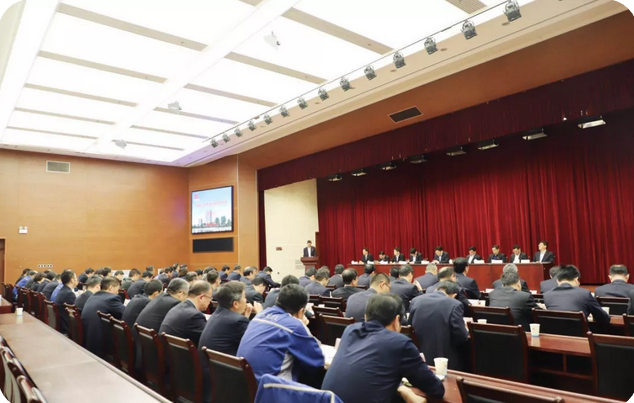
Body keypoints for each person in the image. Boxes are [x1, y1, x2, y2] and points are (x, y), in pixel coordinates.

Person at [323, 294, 444, 403]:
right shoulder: (400, 343)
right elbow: (435, 389)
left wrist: (401, 388)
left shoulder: (350, 330)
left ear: (366, 317)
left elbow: (370, 371)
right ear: (397, 320)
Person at [237, 284, 324, 381]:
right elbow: (318, 360)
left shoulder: (260, 315)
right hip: (269, 387)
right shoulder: (295, 326)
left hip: (243, 383)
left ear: (277, 299)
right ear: (301, 311)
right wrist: (303, 326)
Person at [409, 281, 469, 370]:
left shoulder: (416, 300)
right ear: (454, 295)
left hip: (418, 356)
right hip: (445, 360)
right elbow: (461, 335)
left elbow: (410, 326)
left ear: (437, 289)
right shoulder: (455, 304)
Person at [199, 282, 255, 356]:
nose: (246, 300)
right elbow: (255, 343)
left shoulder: (216, 314)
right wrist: (260, 314)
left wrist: (245, 317)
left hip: (210, 361)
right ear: (236, 304)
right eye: (244, 297)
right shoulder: (238, 321)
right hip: (224, 362)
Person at [543, 265, 609, 324]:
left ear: (557, 281)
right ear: (576, 279)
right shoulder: (584, 293)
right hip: (580, 333)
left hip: (554, 333)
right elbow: (604, 319)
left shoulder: (547, 295)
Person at [81, 277, 125, 358]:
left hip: (88, 338)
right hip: (101, 342)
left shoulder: (93, 296)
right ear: (111, 288)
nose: (118, 292)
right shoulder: (111, 298)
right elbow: (126, 313)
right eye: (117, 290)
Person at [159, 281, 212, 346]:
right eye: (210, 298)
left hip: (168, 350)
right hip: (178, 351)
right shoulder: (194, 316)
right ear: (201, 297)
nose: (210, 301)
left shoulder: (177, 307)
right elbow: (209, 340)